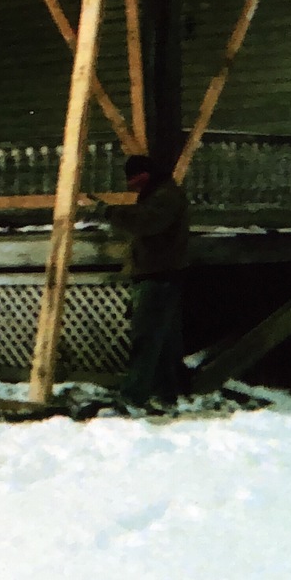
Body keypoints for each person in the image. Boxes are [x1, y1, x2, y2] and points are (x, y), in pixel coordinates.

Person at [103, 154, 189, 407]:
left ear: (145, 174)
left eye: (134, 178)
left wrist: (112, 213)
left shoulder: (165, 196)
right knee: (163, 342)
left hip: (158, 276)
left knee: (146, 339)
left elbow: (147, 222)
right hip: (160, 275)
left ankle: (134, 395)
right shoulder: (159, 194)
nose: (131, 184)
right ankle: (166, 393)